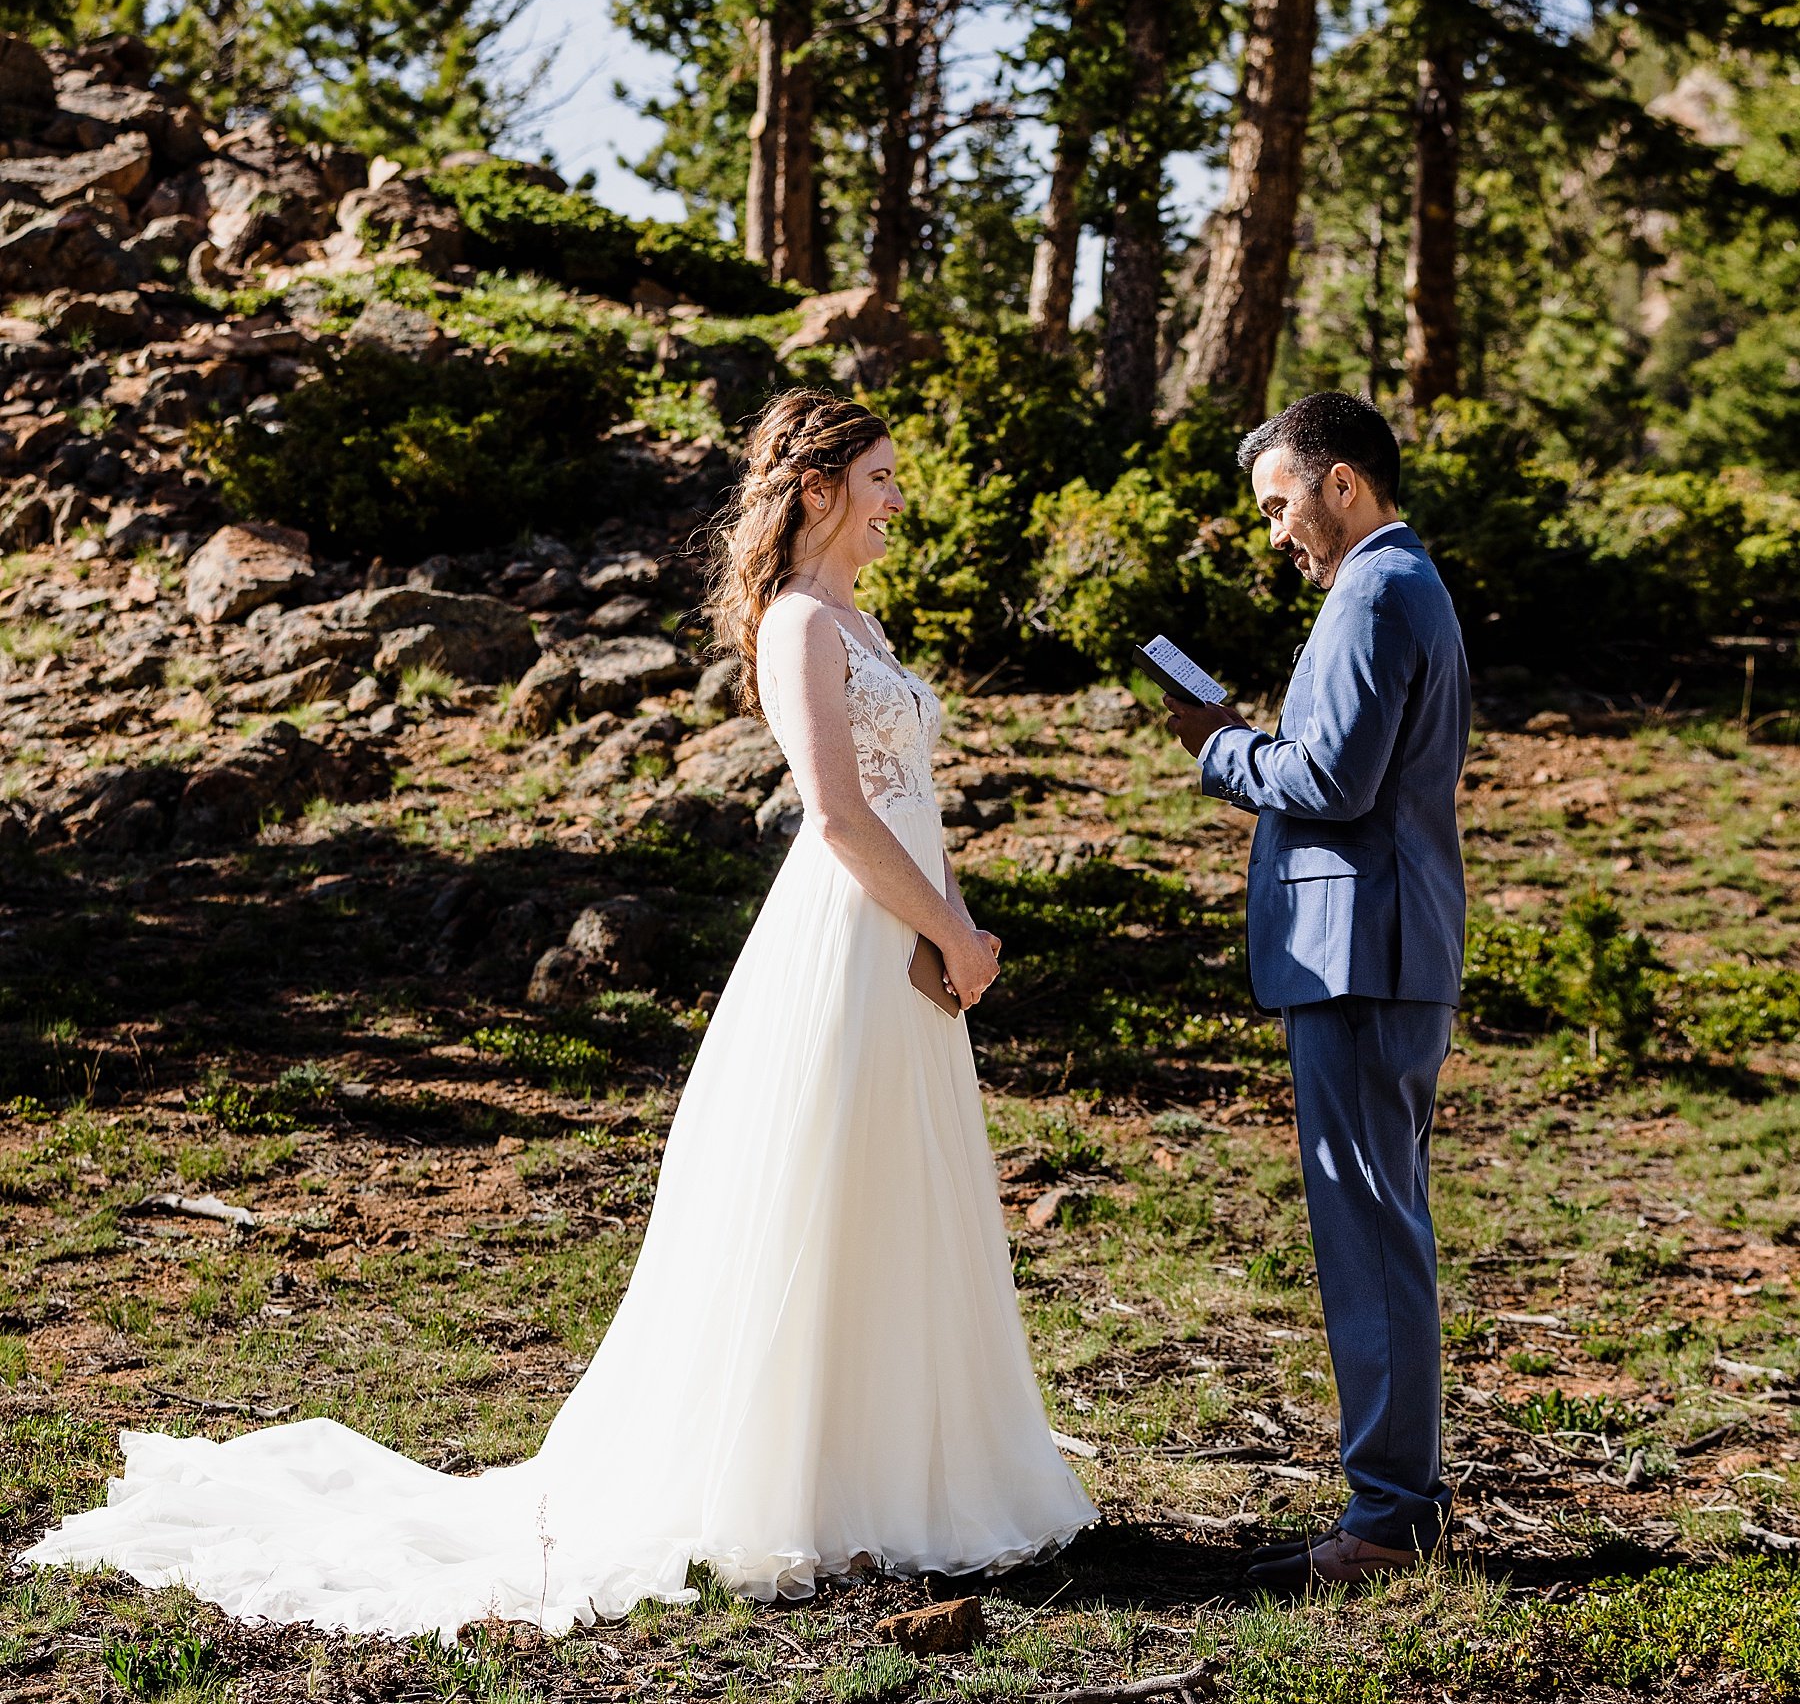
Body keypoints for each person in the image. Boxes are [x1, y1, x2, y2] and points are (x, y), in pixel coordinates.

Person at [25, 388, 1094, 1635]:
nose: (900, 498)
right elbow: (841, 817)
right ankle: (809, 1482)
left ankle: (905, 1472)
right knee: (827, 1190)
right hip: (853, 940)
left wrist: (958, 928)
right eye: (883, 476)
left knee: (896, 1194)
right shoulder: (803, 623)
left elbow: (913, 801)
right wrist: (951, 928)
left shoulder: (857, 616)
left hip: (908, 937)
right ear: (820, 489)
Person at [1162, 392, 1469, 1593]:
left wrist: (1216, 741)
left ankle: (1391, 1516)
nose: (1277, 532)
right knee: (1382, 1222)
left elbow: (1329, 780)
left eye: (1283, 504)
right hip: (1387, 950)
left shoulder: (1378, 589)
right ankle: (1400, 1499)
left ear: (1343, 482)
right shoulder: (1403, 584)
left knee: (1370, 1231)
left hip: (1364, 955)